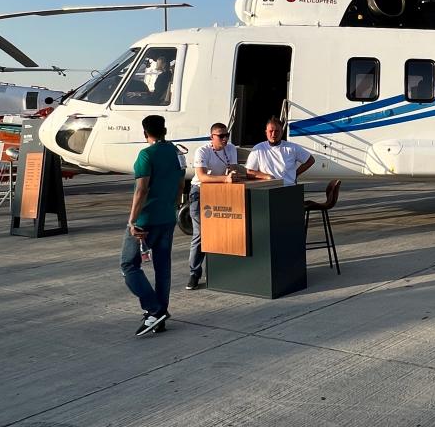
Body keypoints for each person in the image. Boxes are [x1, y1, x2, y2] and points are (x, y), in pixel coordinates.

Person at [123, 114, 184, 336]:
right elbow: (179, 185)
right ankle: (160, 317)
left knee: (129, 265)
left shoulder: (146, 155)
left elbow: (141, 189)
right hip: (168, 217)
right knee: (162, 268)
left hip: (145, 221)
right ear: (164, 130)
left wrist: (132, 221)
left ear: (145, 132)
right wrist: (174, 207)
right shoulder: (176, 152)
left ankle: (154, 309)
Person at [186, 122, 238, 291]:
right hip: (200, 193)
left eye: (226, 135)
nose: (224, 139)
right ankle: (194, 272)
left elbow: (234, 168)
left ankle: (219, 270)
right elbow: (201, 176)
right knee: (200, 234)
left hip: (220, 193)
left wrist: (233, 174)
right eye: (220, 136)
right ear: (212, 137)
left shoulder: (231, 149)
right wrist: (225, 179)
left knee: (221, 231)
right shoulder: (203, 151)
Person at [246, 117, 315, 186]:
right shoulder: (258, 148)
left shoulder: (292, 147)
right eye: (271, 131)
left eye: (277, 131)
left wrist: (295, 174)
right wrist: (267, 176)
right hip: (267, 188)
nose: (273, 134)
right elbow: (249, 172)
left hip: (288, 187)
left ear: (282, 132)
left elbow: (310, 160)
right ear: (266, 132)